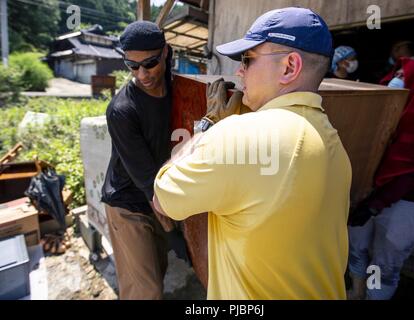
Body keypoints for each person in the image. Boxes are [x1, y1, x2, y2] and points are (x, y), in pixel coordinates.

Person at [152, 7, 352, 299]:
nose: (239, 71)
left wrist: (209, 125)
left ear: (289, 67)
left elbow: (163, 198)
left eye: (247, 59)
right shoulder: (334, 143)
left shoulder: (235, 134)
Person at [347, 55, 414, 300]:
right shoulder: (384, 115)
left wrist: (375, 206)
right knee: (356, 249)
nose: (396, 79)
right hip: (366, 197)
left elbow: (413, 174)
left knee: (385, 266)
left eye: (404, 76)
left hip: (406, 204)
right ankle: (357, 292)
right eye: (396, 74)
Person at [101, 21, 187, 300]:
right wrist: (174, 233)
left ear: (165, 53)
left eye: (149, 63)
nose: (142, 74)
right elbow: (150, 185)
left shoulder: (178, 91)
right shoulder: (122, 111)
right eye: (132, 66)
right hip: (128, 204)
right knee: (145, 292)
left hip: (158, 197)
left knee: (156, 273)